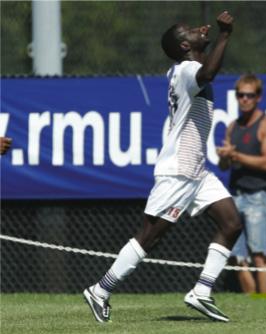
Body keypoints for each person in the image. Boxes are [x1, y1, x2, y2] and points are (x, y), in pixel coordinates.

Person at [84, 11, 242, 323]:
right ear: (185, 46)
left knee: (231, 223)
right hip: (178, 170)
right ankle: (100, 290)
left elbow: (205, 72)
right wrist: (224, 36)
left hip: (196, 170)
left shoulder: (182, 69)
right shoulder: (186, 70)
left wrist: (215, 39)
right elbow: (208, 74)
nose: (200, 30)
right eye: (193, 32)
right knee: (150, 236)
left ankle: (202, 292)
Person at [216, 74, 266, 294]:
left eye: (249, 95)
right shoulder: (233, 126)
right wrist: (225, 157)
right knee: (238, 258)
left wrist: (236, 156)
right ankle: (252, 306)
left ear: (258, 97)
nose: (244, 99)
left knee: (260, 255)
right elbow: (225, 166)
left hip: (258, 197)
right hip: (236, 196)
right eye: (240, 95)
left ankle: (265, 307)